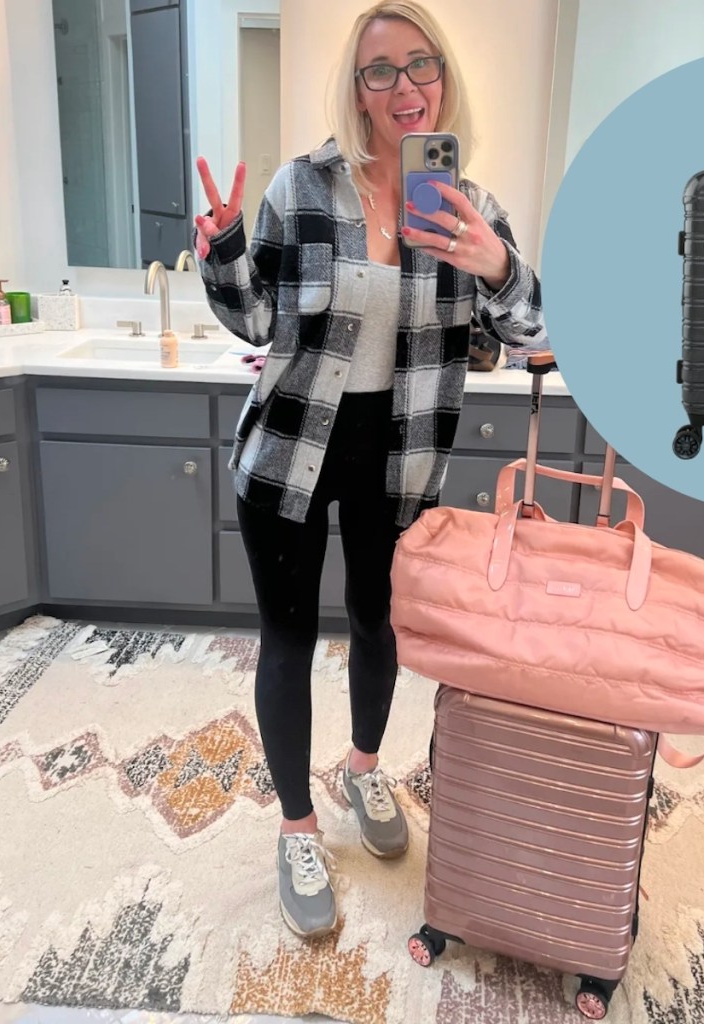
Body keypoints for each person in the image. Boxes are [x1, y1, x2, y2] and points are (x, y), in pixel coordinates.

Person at [193, 0, 546, 939]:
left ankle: (360, 769)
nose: (404, 87)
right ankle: (298, 826)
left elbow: (532, 336)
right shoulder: (303, 188)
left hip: (400, 456)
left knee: (379, 626)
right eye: (379, 71)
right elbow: (256, 320)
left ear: (443, 77)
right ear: (356, 89)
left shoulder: (468, 203)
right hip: (292, 452)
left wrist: (496, 260)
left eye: (419, 65)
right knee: (290, 637)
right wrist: (225, 249)